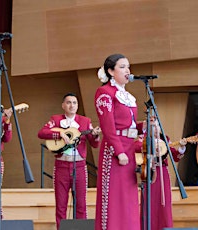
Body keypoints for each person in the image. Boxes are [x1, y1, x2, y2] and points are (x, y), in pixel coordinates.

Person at [94, 54, 145, 230]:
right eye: (122, 67)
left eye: (128, 66)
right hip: (115, 151)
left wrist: (143, 126)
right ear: (110, 71)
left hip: (130, 148)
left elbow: (128, 125)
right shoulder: (104, 93)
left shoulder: (128, 96)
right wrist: (118, 151)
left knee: (129, 198)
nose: (128, 70)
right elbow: (107, 126)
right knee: (114, 197)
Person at [38, 93, 101, 230]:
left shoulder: (85, 121)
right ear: (63, 105)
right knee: (61, 204)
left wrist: (95, 136)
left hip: (79, 166)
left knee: (81, 204)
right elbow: (42, 133)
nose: (72, 105)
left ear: (77, 106)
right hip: (61, 165)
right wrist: (59, 134)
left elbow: (94, 144)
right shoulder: (56, 120)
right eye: (68, 102)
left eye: (74, 103)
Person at [137, 117, 187, 230]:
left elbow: (175, 155)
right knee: (149, 204)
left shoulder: (165, 138)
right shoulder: (143, 138)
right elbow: (135, 147)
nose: (155, 129)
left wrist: (181, 147)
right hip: (149, 172)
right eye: (153, 127)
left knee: (164, 204)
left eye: (157, 126)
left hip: (162, 173)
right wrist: (151, 148)